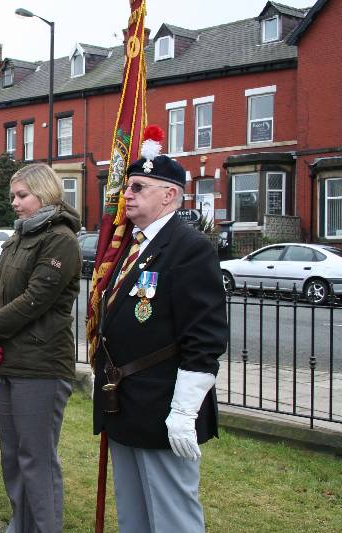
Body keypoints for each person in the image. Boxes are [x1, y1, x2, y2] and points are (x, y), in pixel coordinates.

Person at [92, 152, 228, 533]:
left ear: (169, 195)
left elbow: (205, 338)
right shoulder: (134, 247)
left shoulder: (188, 247)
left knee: (171, 517)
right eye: (127, 186)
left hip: (162, 407)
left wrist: (184, 412)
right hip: (125, 403)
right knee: (133, 514)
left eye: (138, 188)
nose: (126, 196)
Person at [0, 163, 81, 533]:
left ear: (44, 195)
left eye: (22, 196)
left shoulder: (60, 239)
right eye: (13, 196)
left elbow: (36, 299)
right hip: (11, 363)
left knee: (37, 460)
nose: (14, 203)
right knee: (13, 457)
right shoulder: (18, 237)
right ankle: (21, 525)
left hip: (42, 365)